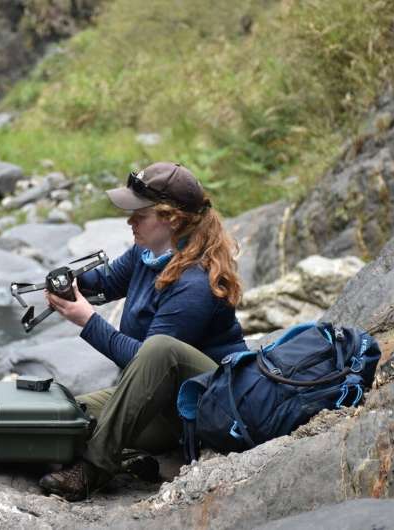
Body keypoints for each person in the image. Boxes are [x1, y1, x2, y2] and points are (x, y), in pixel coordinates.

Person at [38, 162, 247, 501]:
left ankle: (95, 469)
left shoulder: (196, 283)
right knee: (62, 418)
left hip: (201, 406)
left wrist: (87, 321)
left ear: (172, 219)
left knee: (160, 348)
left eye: (139, 214)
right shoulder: (148, 252)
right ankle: (136, 459)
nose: (129, 221)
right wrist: (70, 284)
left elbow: (147, 361)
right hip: (154, 402)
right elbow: (106, 281)